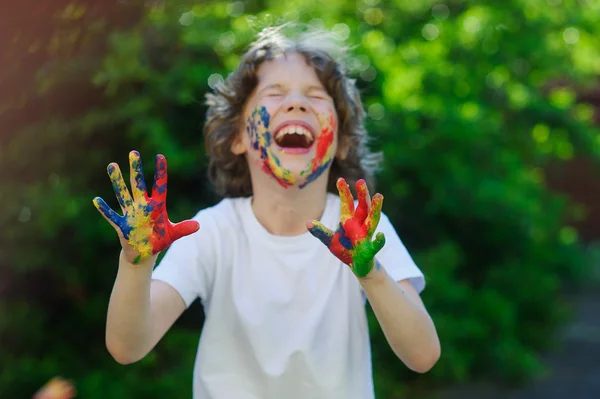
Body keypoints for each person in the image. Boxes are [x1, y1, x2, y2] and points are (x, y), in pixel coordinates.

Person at [93, 26, 440, 399]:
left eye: (315, 95)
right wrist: (136, 263)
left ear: (341, 142)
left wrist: (372, 275)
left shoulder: (360, 234)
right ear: (238, 137)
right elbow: (128, 347)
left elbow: (423, 355)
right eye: (274, 93)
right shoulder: (213, 232)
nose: (296, 103)